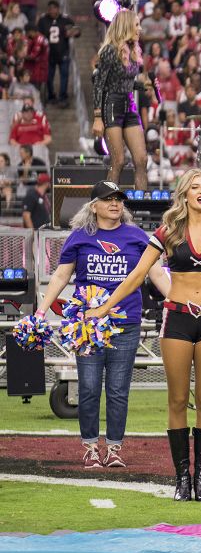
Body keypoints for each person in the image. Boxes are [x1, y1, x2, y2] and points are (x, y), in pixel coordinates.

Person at [88, 169, 201, 502]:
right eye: (195, 187)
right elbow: (137, 275)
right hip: (177, 321)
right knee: (176, 400)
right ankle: (181, 480)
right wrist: (104, 308)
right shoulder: (168, 231)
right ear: (185, 194)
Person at [34, 181, 171, 469]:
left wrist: (179, 301)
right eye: (108, 199)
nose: (115, 204)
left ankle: (114, 448)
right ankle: (90, 447)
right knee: (89, 387)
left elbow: (156, 274)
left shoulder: (137, 236)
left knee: (119, 389)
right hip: (89, 325)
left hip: (126, 322)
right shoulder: (80, 237)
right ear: (93, 205)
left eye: (119, 199)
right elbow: (60, 277)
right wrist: (41, 311)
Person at [91, 9, 154, 190]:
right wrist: (97, 117)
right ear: (126, 26)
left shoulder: (133, 50)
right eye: (136, 25)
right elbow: (99, 84)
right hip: (111, 105)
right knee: (118, 161)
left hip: (129, 105)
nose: (140, 29)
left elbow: (125, 82)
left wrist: (144, 86)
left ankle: (140, 208)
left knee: (141, 159)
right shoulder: (110, 51)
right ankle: (108, 203)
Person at [35, 0, 77, 106]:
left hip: (63, 52)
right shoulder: (43, 20)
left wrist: (72, 32)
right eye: (50, 8)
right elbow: (37, 34)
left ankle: (62, 96)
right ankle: (51, 95)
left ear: (58, 9)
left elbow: (77, 30)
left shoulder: (65, 19)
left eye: (54, 8)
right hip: (48, 54)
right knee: (49, 76)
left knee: (64, 75)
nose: (52, 11)